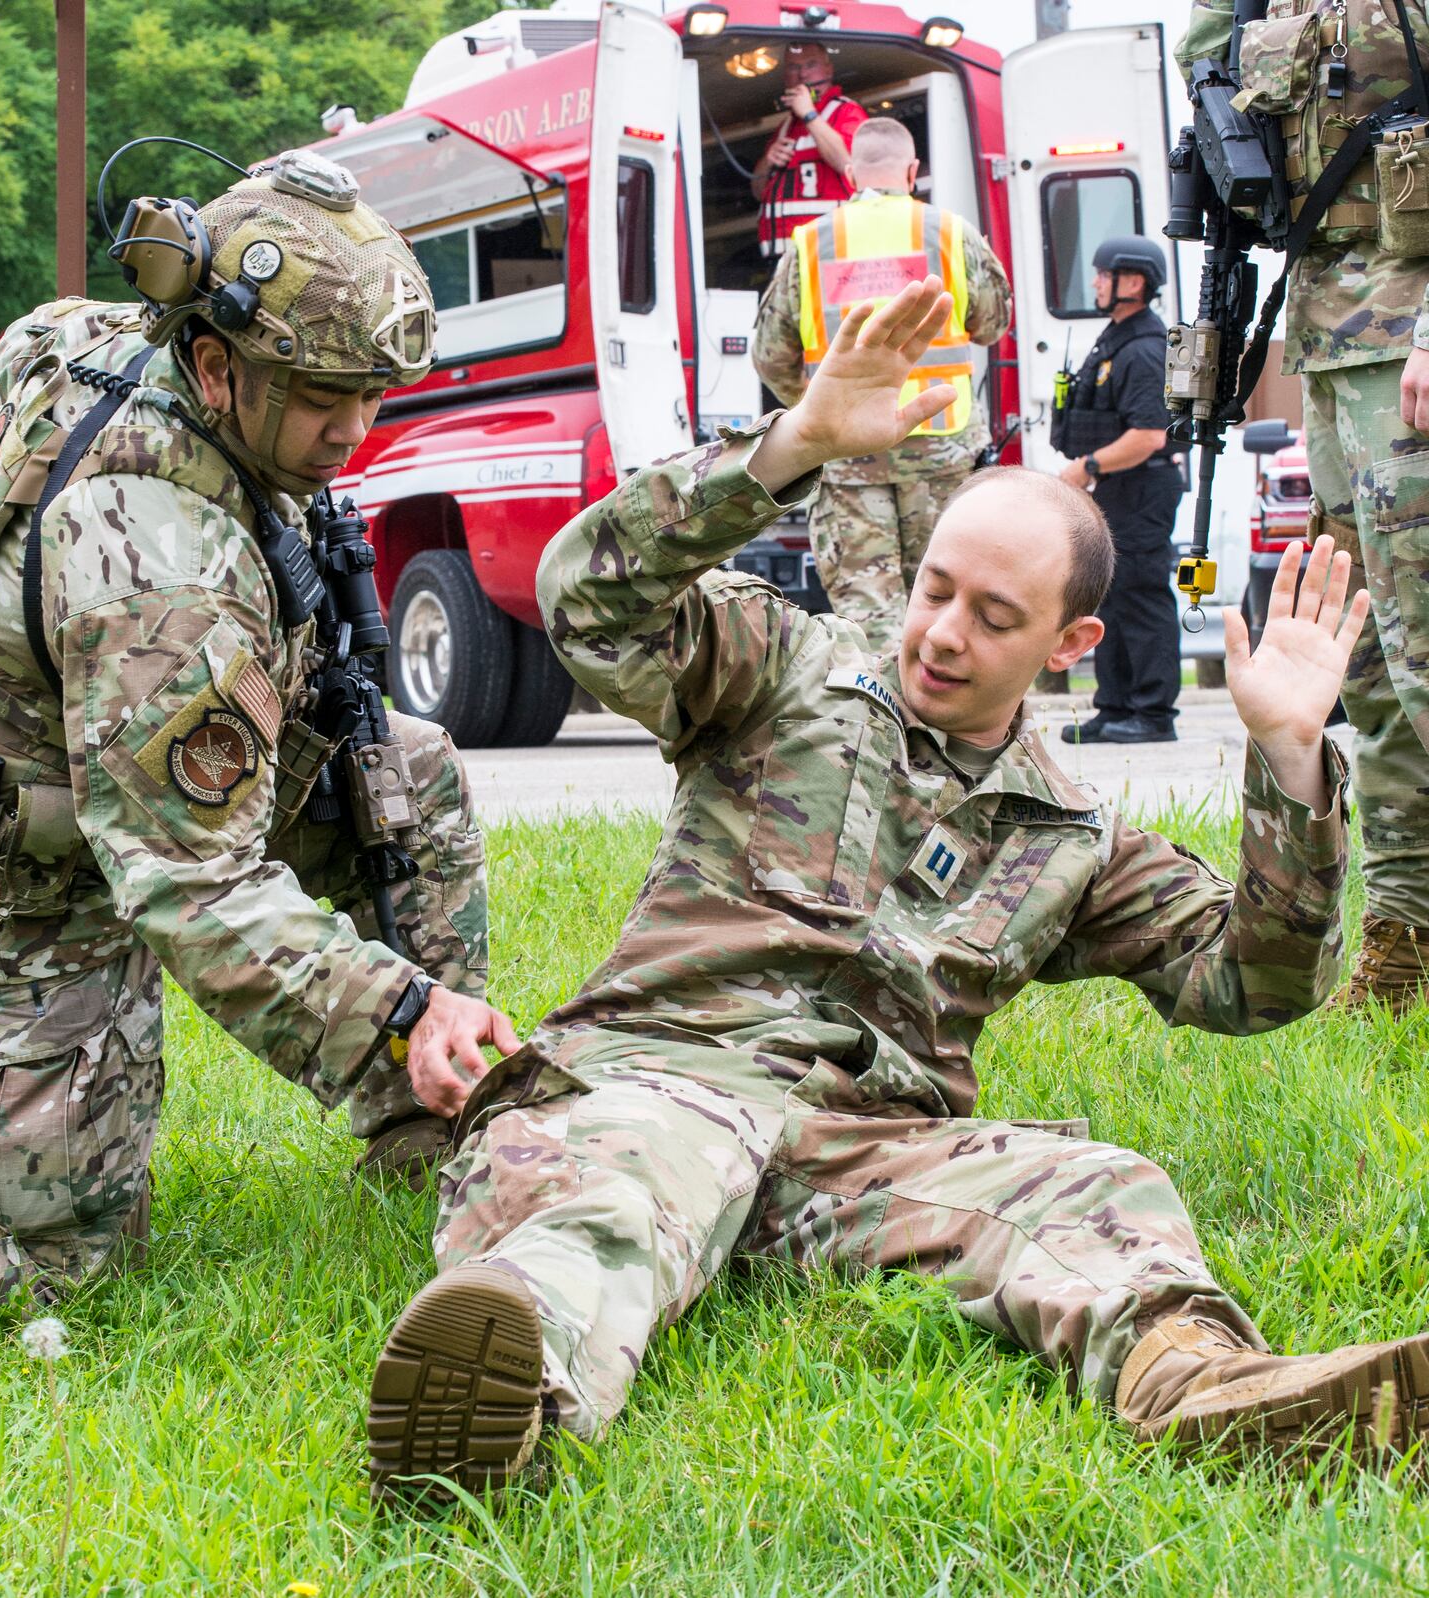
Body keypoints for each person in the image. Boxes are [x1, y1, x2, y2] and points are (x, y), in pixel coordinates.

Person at [364, 278, 1426, 1505]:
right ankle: (499, 1387)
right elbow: (584, 598)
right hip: (655, 1081)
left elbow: (1255, 981)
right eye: (934, 589)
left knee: (1099, 1182)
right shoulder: (783, 666)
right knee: (625, 1177)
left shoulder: (1068, 832)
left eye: (992, 616)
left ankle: (1205, 1389)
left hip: (854, 1163)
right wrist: (792, 444)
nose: (940, 634)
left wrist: (1292, 757)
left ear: (1069, 647)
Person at [0, 150, 516, 1303]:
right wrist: (399, 1008)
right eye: (318, 397)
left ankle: (422, 1133)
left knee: (409, 772)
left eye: (371, 393)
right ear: (212, 362)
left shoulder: (86, 332)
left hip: (105, 777)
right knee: (65, 1269)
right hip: (15, 880)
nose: (353, 429)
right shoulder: (156, 569)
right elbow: (191, 888)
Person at [1179, 1, 1429, 1007]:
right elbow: (1213, 75)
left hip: (1409, 347)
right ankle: (1405, 942)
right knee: (1371, 673)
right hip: (1328, 344)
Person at [753, 117, 1012, 652]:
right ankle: (944, 727)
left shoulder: (811, 243)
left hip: (847, 455)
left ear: (849, 174)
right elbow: (993, 323)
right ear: (913, 171)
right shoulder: (949, 231)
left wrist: (815, 408)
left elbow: (770, 354)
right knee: (948, 602)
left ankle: (886, 728)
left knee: (869, 616)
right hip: (943, 446)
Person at [1052, 235, 1184, 746]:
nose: (1095, 283)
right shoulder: (1116, 338)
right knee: (1109, 596)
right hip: (1116, 490)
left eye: (1103, 274)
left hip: (1141, 489)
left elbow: (1149, 435)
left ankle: (1153, 715)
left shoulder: (1145, 349)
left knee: (1141, 597)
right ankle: (1115, 708)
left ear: (1132, 281)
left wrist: (1087, 466)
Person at [750, 42, 867, 262]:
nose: (802, 74)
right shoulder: (785, 127)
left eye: (811, 65)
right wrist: (767, 161)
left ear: (828, 70)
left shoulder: (846, 111)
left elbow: (847, 163)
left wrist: (809, 115)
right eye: (794, 67)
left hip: (831, 251)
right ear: (786, 76)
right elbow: (758, 192)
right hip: (783, 255)